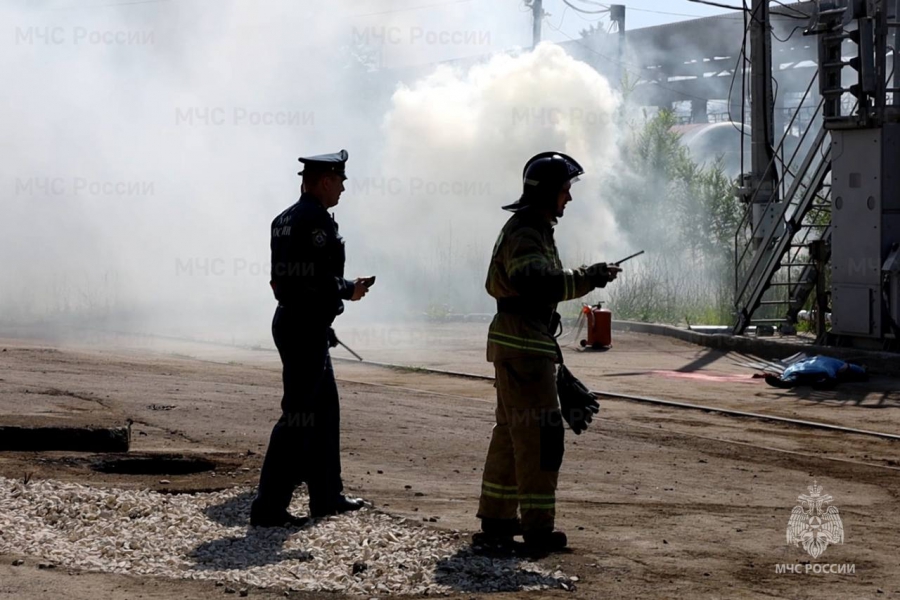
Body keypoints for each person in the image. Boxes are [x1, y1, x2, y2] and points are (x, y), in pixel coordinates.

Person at [475, 151, 621, 552]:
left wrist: (587, 277)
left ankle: (497, 518)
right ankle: (538, 528)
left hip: (519, 341)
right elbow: (536, 282)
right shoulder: (526, 232)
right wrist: (587, 278)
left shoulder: (531, 229)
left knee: (511, 432)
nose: (568, 199)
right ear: (548, 193)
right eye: (565, 190)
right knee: (541, 435)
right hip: (523, 345)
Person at [250, 149, 373, 527]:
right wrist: (348, 289)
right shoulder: (315, 222)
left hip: (298, 322)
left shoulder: (283, 219)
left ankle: (326, 496)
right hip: (303, 327)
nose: (343, 189)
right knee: (299, 418)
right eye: (340, 181)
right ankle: (268, 507)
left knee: (324, 412)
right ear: (325, 181)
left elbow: (281, 281)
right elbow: (315, 280)